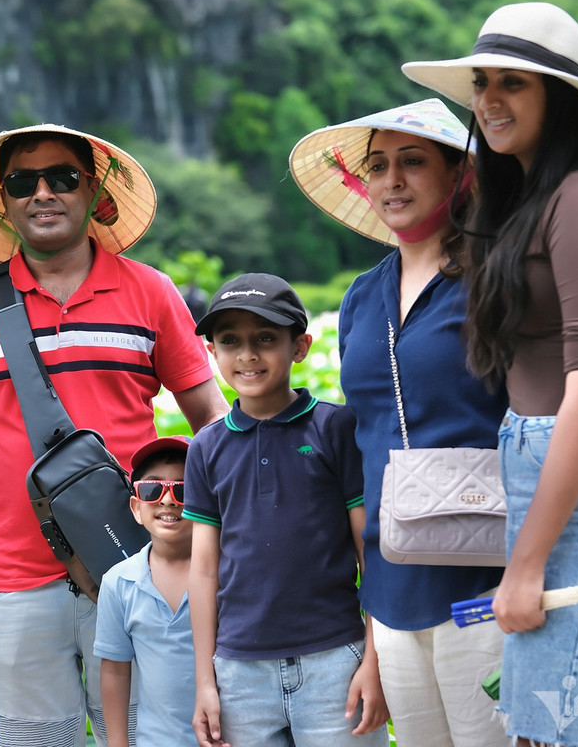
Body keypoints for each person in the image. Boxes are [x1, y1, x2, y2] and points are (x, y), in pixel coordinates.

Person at [403, 2, 578, 747]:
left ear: (559, 99)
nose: (489, 101)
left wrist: (524, 567)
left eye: (513, 85)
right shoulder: (535, 201)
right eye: (481, 84)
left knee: (566, 727)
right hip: (566, 477)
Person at [0, 124, 229, 745]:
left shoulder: (151, 292)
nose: (43, 193)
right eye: (23, 182)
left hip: (140, 570)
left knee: (153, 737)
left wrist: (221, 543)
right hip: (15, 581)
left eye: (62, 178)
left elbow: (212, 423)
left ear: (93, 192)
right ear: (3, 200)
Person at [289, 99, 508, 746]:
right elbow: (367, 448)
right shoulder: (360, 297)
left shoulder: (495, 278)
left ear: (459, 176)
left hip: (489, 581)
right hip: (393, 588)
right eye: (378, 165)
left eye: (413, 161)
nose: (392, 180)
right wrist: (373, 644)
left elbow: (543, 423)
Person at [184, 273, 389, 747]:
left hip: (336, 660)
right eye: (230, 341)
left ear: (299, 347)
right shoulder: (206, 447)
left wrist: (373, 661)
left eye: (265, 339)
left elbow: (369, 552)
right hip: (238, 672)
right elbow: (203, 570)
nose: (248, 355)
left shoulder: (336, 429)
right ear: (211, 351)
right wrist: (205, 681)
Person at [94, 435, 197, 747]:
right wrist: (118, 743)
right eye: (152, 489)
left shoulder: (230, 574)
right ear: (136, 508)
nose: (167, 500)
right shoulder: (118, 583)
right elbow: (115, 672)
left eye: (184, 489)